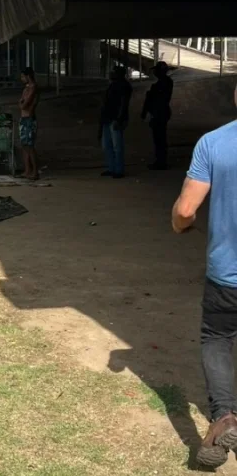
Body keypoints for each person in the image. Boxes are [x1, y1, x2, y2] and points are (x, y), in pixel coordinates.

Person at [171, 93, 237, 468]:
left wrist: (180, 225)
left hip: (226, 276)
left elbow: (184, 210)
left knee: (218, 339)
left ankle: (225, 416)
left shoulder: (213, 143)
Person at [99, 66, 132, 178]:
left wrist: (119, 118)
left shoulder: (123, 86)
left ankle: (118, 170)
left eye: (113, 72)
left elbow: (124, 104)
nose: (110, 73)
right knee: (108, 145)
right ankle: (112, 168)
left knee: (116, 145)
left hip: (115, 118)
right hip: (108, 118)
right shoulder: (113, 85)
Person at [141, 61, 174, 170]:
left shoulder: (162, 84)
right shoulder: (165, 82)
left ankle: (161, 161)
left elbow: (156, 99)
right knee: (160, 138)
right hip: (161, 112)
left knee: (159, 138)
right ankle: (160, 160)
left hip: (159, 112)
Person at [18, 67, 40, 180]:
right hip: (24, 118)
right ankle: (27, 170)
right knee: (24, 145)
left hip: (29, 119)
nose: (21, 79)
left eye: (23, 76)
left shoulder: (33, 88)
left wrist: (23, 102)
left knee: (30, 146)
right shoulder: (26, 89)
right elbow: (21, 102)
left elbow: (24, 104)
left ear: (28, 76)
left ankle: (35, 171)